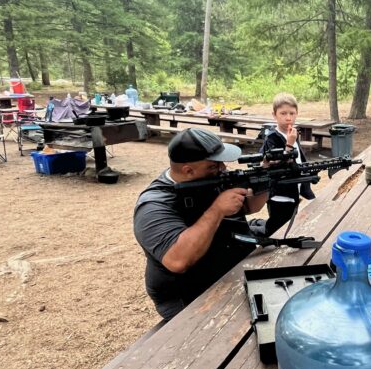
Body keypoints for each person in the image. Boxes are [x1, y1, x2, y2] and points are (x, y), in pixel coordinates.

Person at [133, 127, 269, 321]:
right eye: (214, 165)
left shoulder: (210, 178)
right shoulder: (153, 206)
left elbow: (250, 206)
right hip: (190, 296)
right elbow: (178, 260)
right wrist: (217, 210)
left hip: (231, 273)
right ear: (188, 170)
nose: (223, 168)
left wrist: (266, 178)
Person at [257, 92, 316, 237]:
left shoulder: (293, 134)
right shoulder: (272, 138)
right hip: (280, 194)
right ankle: (255, 231)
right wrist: (289, 144)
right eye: (283, 113)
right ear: (274, 115)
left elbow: (298, 160)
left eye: (292, 113)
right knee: (276, 232)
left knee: (291, 226)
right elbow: (275, 165)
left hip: (294, 191)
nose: (288, 117)